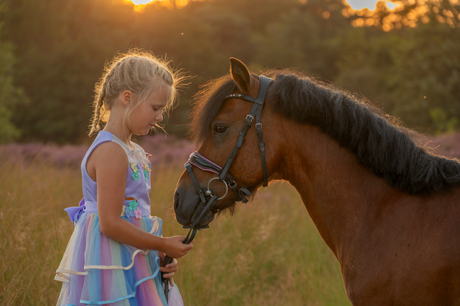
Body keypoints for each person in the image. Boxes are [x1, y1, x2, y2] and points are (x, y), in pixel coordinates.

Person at [55, 50, 192, 306]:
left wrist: (158, 250)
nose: (160, 117)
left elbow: (134, 215)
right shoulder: (111, 151)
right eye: (155, 108)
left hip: (132, 256)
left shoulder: (132, 150)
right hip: (111, 263)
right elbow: (110, 224)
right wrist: (162, 241)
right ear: (127, 98)